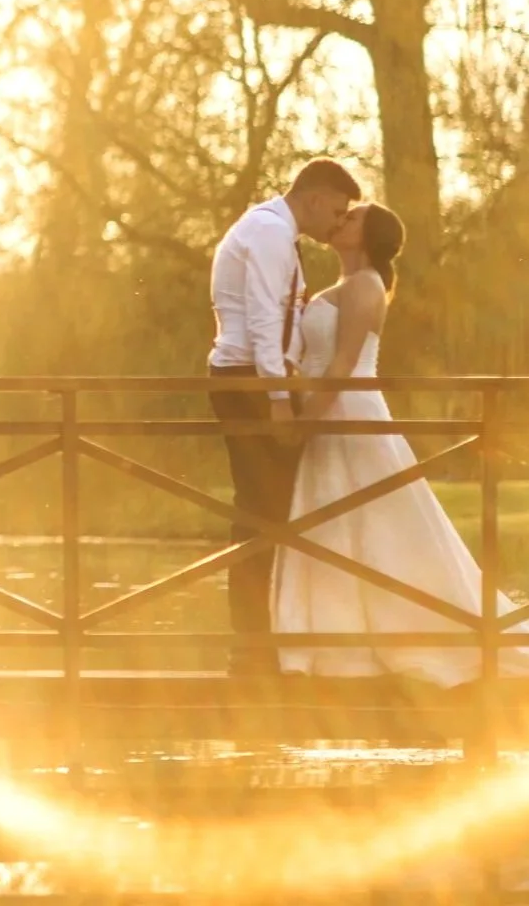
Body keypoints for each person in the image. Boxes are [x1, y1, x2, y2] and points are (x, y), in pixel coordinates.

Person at [272, 201, 529, 688]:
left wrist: (303, 422)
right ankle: (335, 646)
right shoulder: (341, 287)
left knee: (380, 526)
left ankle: (390, 642)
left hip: (348, 415)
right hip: (329, 415)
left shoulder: (366, 286)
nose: (341, 218)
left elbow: (343, 366)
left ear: (367, 236)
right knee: (335, 525)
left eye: (352, 218)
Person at [209, 158, 362, 678]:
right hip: (250, 380)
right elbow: (262, 317)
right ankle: (251, 648)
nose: (338, 224)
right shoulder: (271, 233)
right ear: (315, 198)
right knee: (259, 511)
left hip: (255, 377)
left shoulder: (274, 230)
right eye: (337, 212)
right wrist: (277, 395)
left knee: (268, 511)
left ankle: (260, 643)